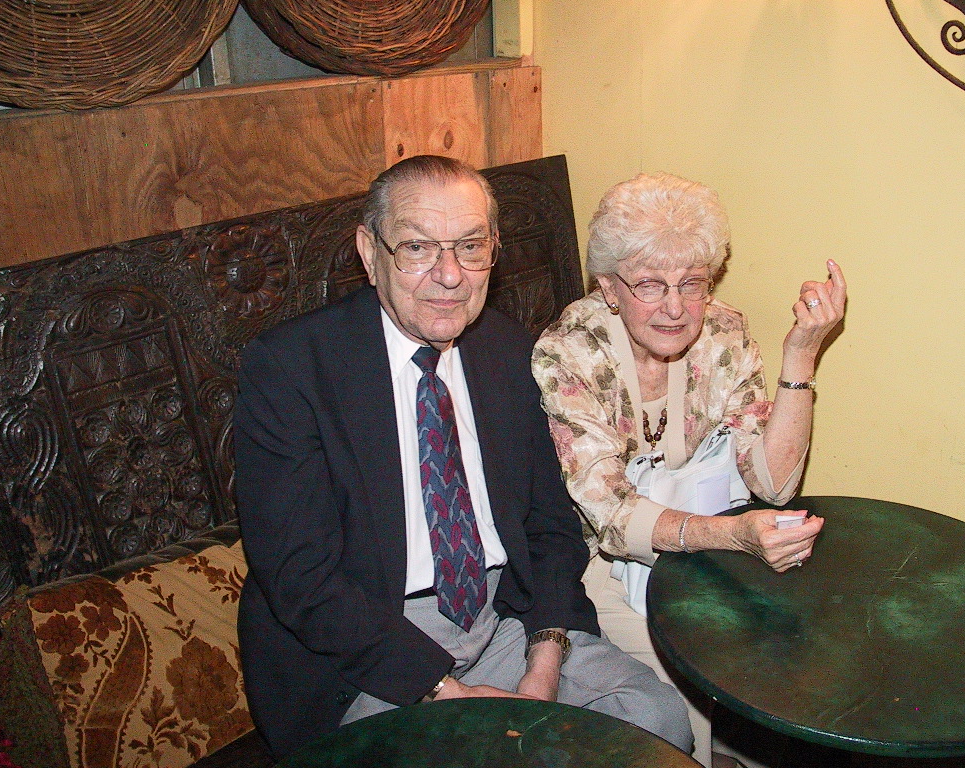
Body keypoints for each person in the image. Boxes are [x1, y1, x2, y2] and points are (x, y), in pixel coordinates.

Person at [234, 155, 693, 760]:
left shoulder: (509, 351)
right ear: (370, 253)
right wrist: (448, 692)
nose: (450, 275)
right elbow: (302, 578)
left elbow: (552, 527)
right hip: (364, 650)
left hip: (501, 617)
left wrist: (544, 663)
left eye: (471, 247)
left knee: (656, 721)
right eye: (417, 248)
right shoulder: (292, 368)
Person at [531, 171, 847, 768]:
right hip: (597, 567)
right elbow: (612, 517)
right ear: (609, 287)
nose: (675, 307)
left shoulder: (723, 332)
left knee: (790, 656)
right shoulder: (568, 353)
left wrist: (801, 354)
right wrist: (733, 536)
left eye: (692, 283)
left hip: (698, 545)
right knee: (693, 682)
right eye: (650, 285)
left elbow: (773, 483)